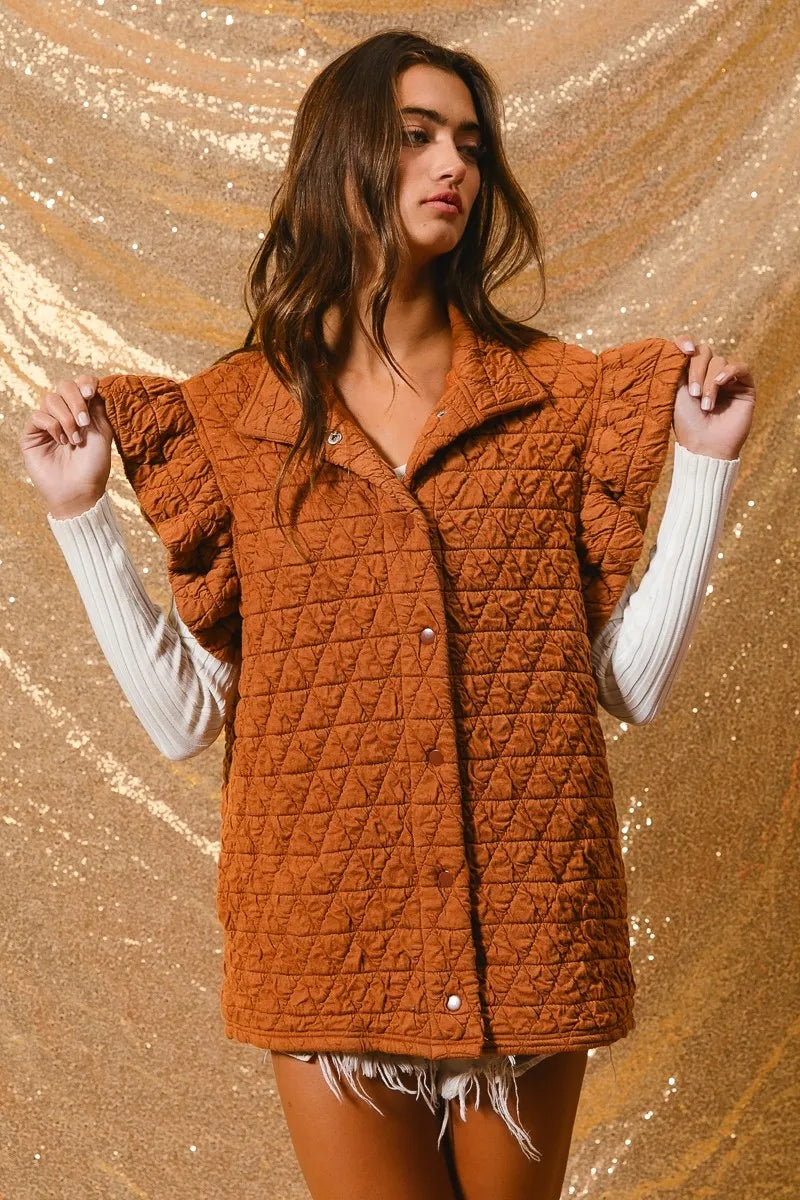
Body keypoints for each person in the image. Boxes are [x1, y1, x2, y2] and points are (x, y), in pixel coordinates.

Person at [19, 29, 755, 1200]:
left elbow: (624, 684)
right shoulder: (230, 419)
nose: (451, 164)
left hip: (525, 924)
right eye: (414, 137)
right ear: (340, 157)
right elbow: (184, 718)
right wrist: (78, 514)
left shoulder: (556, 400)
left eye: (468, 142)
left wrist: (704, 467)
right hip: (326, 935)